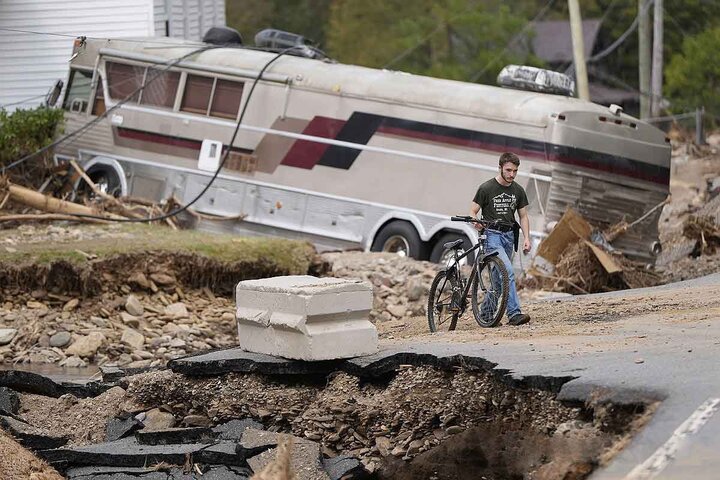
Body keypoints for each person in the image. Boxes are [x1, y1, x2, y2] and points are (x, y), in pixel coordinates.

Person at [470, 152, 531, 326]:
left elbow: (524, 216)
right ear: (500, 168)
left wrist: (526, 238)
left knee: (498, 281)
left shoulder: (518, 190)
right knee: (508, 271)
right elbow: (473, 210)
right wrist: (476, 222)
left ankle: (487, 315)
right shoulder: (487, 188)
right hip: (492, 236)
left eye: (515, 171)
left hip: (509, 236)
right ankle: (514, 314)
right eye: (508, 170)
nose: (512, 174)